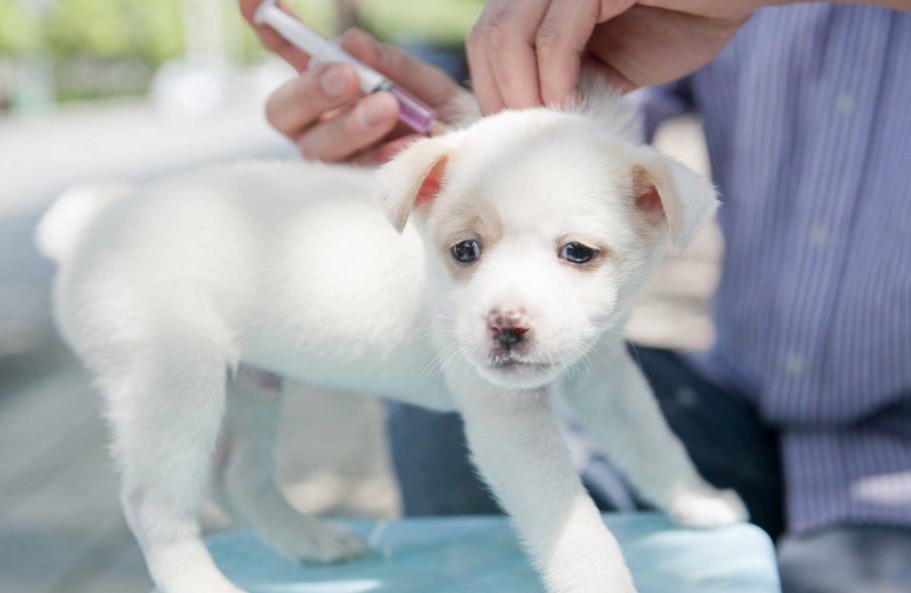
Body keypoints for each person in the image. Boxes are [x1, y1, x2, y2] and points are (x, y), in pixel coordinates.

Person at [239, 1, 911, 591]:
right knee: (454, 360)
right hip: (733, 395)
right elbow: (591, 144)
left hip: (892, 459)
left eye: (578, 255)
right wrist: (479, 144)